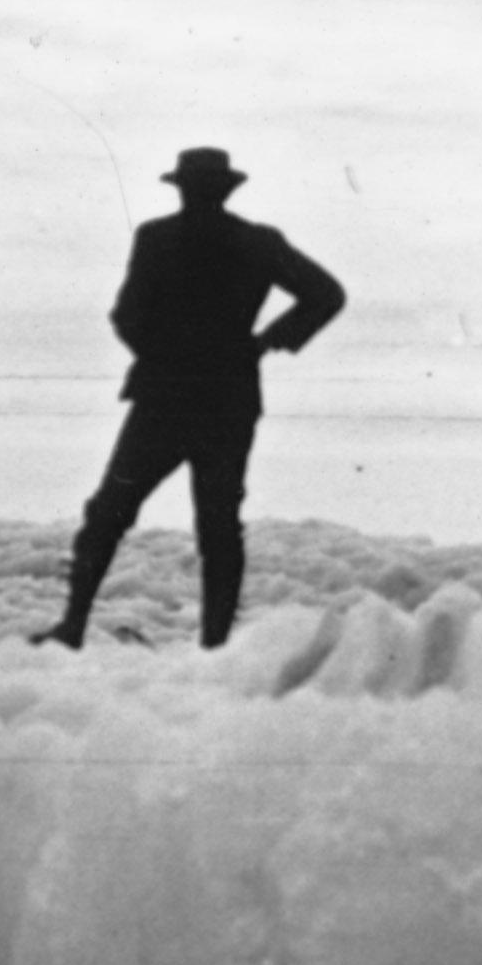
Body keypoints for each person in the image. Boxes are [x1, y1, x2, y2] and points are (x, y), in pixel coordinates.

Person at [44, 147, 346, 650]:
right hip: (223, 398)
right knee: (214, 526)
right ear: (225, 189)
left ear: (185, 188)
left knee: (115, 513)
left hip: (167, 396)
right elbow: (325, 295)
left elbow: (126, 315)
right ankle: (209, 644)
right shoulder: (252, 242)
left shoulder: (160, 238)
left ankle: (76, 626)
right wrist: (264, 341)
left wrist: (168, 353)